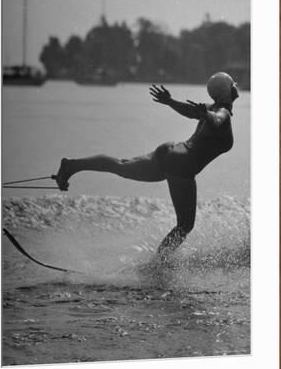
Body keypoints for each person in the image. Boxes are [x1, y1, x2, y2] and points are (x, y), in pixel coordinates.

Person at [54, 72, 239, 255]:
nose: (236, 87)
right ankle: (158, 265)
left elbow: (193, 112)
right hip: (182, 164)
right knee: (185, 226)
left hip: (170, 151)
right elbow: (217, 119)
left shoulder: (212, 107)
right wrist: (204, 114)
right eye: (233, 84)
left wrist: (171, 102)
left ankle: (72, 166)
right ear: (228, 90)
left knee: (122, 165)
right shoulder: (221, 113)